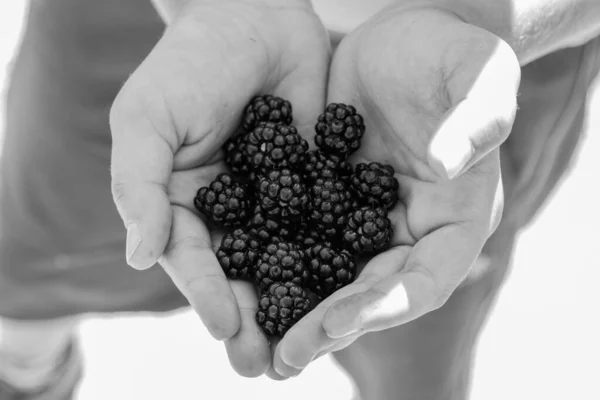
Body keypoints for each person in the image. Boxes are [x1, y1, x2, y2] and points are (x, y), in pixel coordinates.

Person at [0, 0, 599, 398]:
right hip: (162, 22)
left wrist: (471, 17)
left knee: (409, 316)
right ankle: (25, 365)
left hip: (466, 70)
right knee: (54, 232)